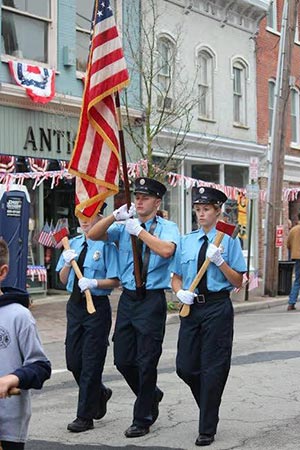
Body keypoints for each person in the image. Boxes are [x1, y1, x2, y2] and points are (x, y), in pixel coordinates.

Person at [88, 177, 180, 438]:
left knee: (147, 360)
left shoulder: (166, 227)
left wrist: (139, 232)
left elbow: (165, 251)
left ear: (157, 202)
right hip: (128, 298)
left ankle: (143, 418)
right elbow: (93, 234)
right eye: (136, 197)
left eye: (145, 197)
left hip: (151, 299)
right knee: (123, 360)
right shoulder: (123, 225)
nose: (139, 201)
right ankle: (151, 393)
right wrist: (114, 217)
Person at [172, 187, 246, 447]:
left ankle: (207, 427)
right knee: (185, 366)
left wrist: (221, 263)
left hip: (217, 307)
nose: (201, 214)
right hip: (191, 307)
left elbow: (238, 281)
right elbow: (176, 275)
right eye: (198, 209)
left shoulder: (228, 239)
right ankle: (209, 403)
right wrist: (179, 292)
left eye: (206, 209)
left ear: (217, 211)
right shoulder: (187, 240)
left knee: (213, 369)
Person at [56, 204, 119, 432]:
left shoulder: (106, 245)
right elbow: (63, 280)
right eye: (81, 217)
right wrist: (65, 263)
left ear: (100, 217)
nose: (84, 221)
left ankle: (84, 417)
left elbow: (115, 280)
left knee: (91, 363)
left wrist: (94, 283)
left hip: (96, 306)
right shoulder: (72, 243)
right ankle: (99, 393)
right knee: (74, 361)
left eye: (89, 216)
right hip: (74, 306)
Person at [0, 238, 51, 450]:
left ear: (2, 272)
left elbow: (41, 367)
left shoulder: (18, 316)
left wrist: (14, 378)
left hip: (7, 426)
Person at [287, 212, 300, 311]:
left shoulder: (293, 230)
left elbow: (288, 244)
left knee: (297, 280)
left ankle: (291, 302)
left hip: (297, 257)